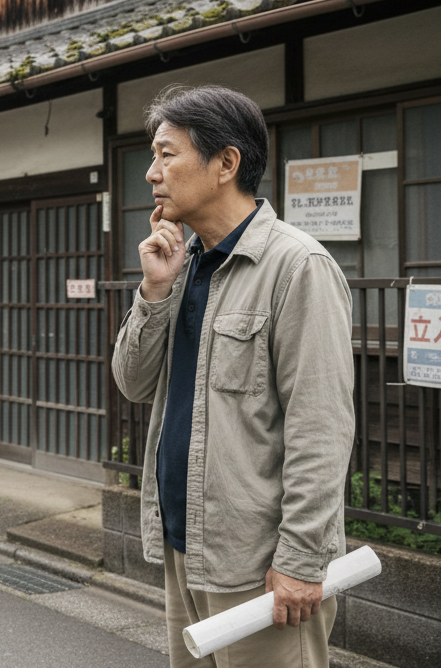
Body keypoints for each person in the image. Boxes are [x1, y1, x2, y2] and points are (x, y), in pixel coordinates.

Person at [112, 85, 355, 668]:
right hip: (184, 547)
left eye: (166, 154)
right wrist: (154, 291)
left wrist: (300, 558)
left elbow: (320, 427)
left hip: (260, 565)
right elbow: (133, 383)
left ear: (226, 163)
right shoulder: (185, 264)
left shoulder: (298, 266)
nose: (152, 173)